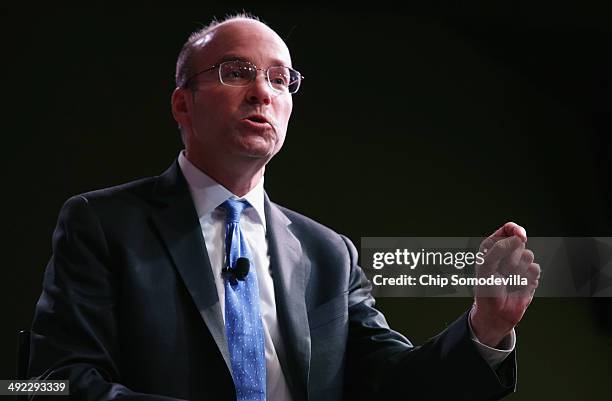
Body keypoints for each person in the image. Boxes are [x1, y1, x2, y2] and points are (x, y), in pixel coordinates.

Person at [28, 13, 540, 401]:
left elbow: (395, 385)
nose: (261, 92)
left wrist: (486, 327)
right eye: (237, 72)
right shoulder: (102, 223)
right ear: (182, 103)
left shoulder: (327, 253)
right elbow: (58, 383)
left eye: (279, 79)